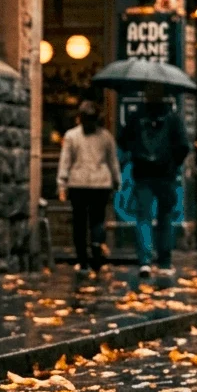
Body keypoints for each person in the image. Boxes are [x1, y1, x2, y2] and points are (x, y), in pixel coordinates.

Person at [118, 83, 190, 277]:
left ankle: (145, 261)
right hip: (166, 176)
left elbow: (122, 140)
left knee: (143, 217)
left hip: (142, 174)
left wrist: (135, 155)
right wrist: (173, 164)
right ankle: (165, 262)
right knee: (165, 217)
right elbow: (184, 145)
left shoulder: (135, 116)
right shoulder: (173, 118)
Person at [57, 101, 120, 278]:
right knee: (98, 219)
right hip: (101, 183)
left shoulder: (71, 136)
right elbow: (112, 161)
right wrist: (116, 181)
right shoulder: (106, 136)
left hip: (78, 183)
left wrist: (62, 184)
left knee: (79, 221)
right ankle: (96, 248)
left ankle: (82, 260)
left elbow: (65, 161)